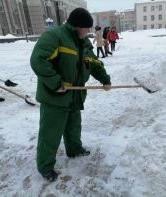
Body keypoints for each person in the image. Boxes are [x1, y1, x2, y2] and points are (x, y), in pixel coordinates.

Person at [30, 7, 111, 182]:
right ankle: (45, 167)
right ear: (77, 26)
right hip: (55, 96)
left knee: (74, 126)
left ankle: (74, 149)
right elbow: (38, 59)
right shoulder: (55, 37)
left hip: (75, 95)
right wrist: (55, 83)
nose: (89, 31)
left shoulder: (84, 42)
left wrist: (105, 79)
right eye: (87, 28)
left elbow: (94, 62)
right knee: (50, 133)